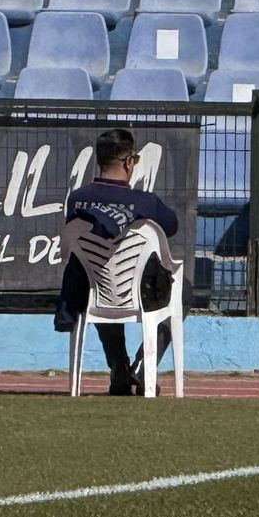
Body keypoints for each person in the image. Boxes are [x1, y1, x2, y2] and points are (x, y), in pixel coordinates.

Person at [55, 128, 180, 397]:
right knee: (184, 289)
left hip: (92, 292)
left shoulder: (76, 200)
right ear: (128, 162)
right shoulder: (146, 202)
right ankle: (143, 368)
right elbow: (172, 226)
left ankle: (118, 367)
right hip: (141, 295)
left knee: (99, 279)